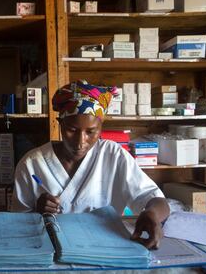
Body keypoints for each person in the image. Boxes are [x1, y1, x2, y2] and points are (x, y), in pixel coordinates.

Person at [11, 81, 170, 249]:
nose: (80, 142)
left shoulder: (113, 155)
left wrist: (151, 214)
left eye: (90, 132)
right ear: (60, 123)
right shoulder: (32, 163)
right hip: (50, 250)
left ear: (101, 127)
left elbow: (157, 200)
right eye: (72, 130)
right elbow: (15, 224)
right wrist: (37, 212)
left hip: (105, 249)